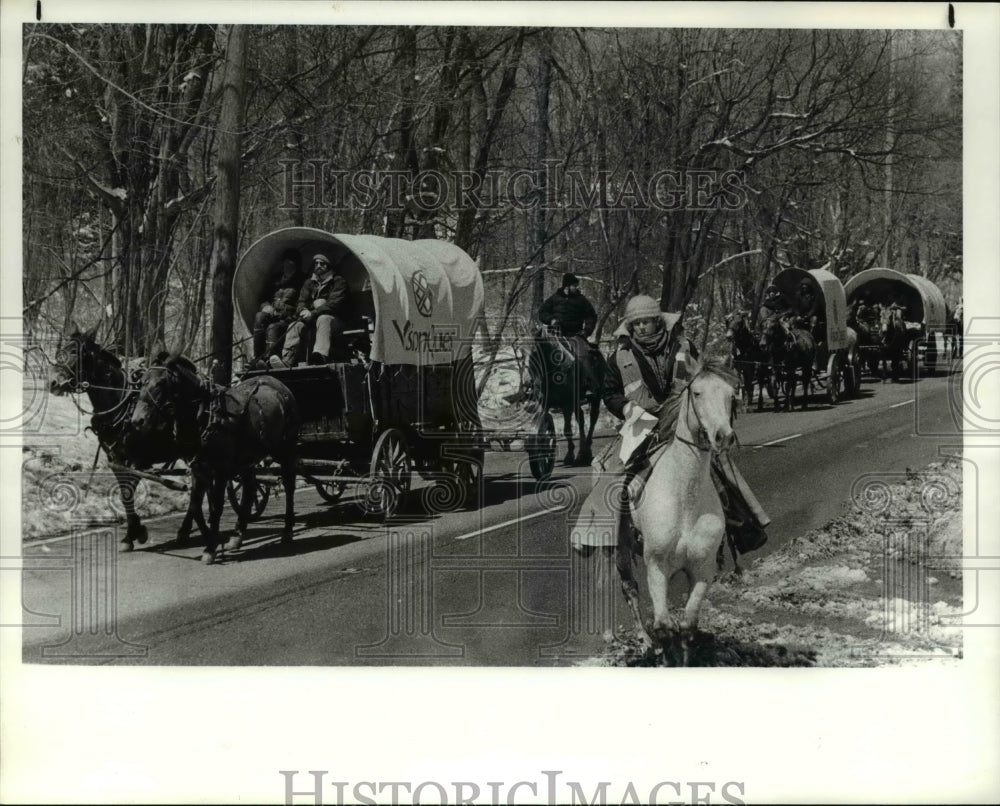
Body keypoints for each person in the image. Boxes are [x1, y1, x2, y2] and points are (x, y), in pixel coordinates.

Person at [571, 294, 771, 556]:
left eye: (646, 322)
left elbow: (704, 379)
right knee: (615, 467)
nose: (642, 327)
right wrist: (625, 407)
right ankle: (594, 533)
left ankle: (745, 525)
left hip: (681, 416)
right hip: (640, 420)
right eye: (637, 323)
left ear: (658, 321)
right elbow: (609, 394)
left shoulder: (683, 347)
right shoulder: (619, 357)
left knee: (719, 463)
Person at [279, 252, 350, 366]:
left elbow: (333, 305)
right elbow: (301, 301)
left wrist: (312, 312)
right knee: (295, 325)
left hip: (337, 321)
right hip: (313, 319)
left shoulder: (338, 282)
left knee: (324, 318)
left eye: (323, 263)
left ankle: (320, 356)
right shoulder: (309, 282)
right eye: (316, 263)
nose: (318, 266)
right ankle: (287, 360)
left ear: (329, 266)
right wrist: (303, 310)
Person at [252, 249, 304, 369]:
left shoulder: (302, 280)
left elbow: (302, 303)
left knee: (272, 327)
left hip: (289, 318)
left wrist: (286, 311)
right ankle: (258, 357)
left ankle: (269, 359)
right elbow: (263, 297)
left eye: (291, 262)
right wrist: (266, 306)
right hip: (272, 313)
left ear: (296, 264)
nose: (287, 265)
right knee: (259, 316)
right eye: (285, 262)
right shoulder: (274, 279)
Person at [537, 273, 597, 339]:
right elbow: (542, 312)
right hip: (556, 334)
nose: (576, 288)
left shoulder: (581, 300)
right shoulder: (554, 298)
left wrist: (586, 331)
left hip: (575, 335)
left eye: (576, 286)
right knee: (540, 339)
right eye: (574, 285)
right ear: (567, 286)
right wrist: (551, 320)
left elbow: (591, 316)